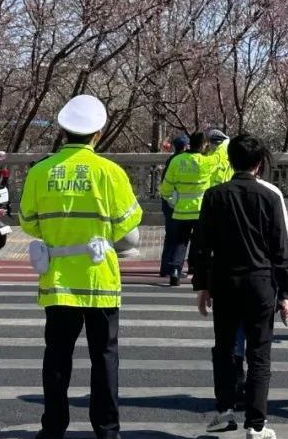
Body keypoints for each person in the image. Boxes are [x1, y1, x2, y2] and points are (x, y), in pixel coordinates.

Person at [20, 94, 143, 439]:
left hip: (58, 279)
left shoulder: (40, 172)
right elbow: (127, 222)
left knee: (57, 357)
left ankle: (54, 428)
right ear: (98, 133)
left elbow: (29, 222)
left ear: (63, 129)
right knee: (104, 357)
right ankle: (106, 430)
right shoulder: (110, 173)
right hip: (99, 277)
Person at [191, 134, 288, 439]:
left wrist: (203, 286)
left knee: (225, 349)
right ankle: (256, 424)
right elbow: (280, 250)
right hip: (261, 282)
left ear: (230, 160)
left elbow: (200, 247)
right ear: (259, 163)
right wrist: (284, 293)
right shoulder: (270, 197)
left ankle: (224, 411)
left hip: (225, 282)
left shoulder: (214, 195)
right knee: (259, 353)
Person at [159, 132, 213, 286]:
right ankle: (195, 269)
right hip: (199, 210)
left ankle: (175, 270)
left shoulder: (177, 160)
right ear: (203, 145)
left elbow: (166, 186)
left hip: (181, 210)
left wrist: (171, 199)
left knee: (180, 242)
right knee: (199, 242)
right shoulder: (206, 162)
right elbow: (221, 160)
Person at [158, 134, 189, 277]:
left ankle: (165, 267)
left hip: (167, 202)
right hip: (175, 203)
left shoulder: (171, 159)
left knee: (170, 236)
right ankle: (173, 268)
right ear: (184, 146)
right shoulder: (180, 161)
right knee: (177, 237)